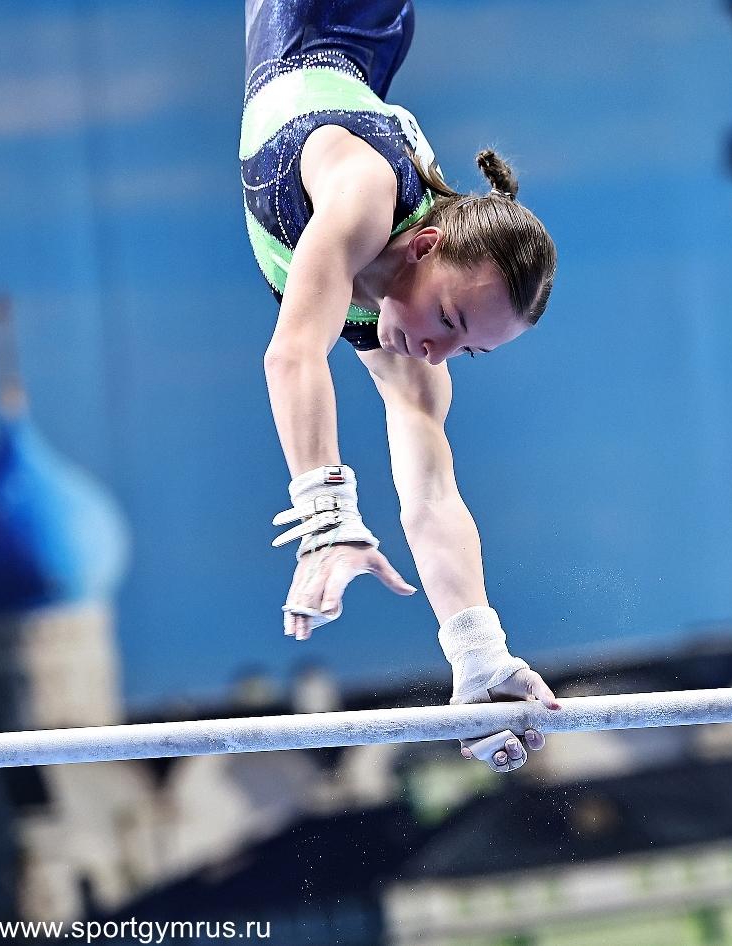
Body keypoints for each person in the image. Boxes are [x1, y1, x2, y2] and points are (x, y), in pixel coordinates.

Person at [240, 0, 561, 773]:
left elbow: (431, 498)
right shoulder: (359, 193)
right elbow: (292, 356)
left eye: (465, 349)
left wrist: (479, 654)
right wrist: (327, 519)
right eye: (449, 316)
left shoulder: (418, 355)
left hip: (354, 64)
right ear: (421, 245)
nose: (435, 349)